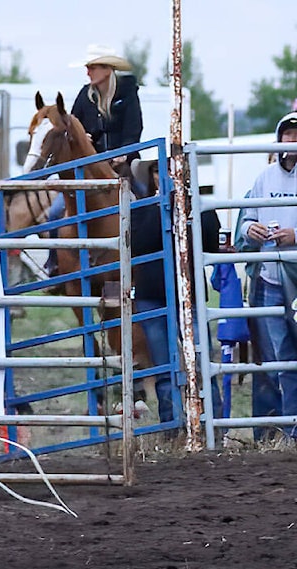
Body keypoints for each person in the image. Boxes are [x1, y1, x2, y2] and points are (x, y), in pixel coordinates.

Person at [130, 159, 222, 431]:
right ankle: (172, 428)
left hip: (189, 294)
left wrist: (186, 207)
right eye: (159, 170)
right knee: (165, 366)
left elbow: (211, 241)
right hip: (153, 294)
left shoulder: (199, 204)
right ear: (152, 176)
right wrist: (165, 207)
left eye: (172, 169)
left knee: (203, 362)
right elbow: (140, 243)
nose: (165, 175)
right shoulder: (142, 207)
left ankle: (213, 426)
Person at [43, 45, 145, 276]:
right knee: (55, 211)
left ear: (107, 69)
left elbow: (134, 128)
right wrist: (85, 137)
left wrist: (125, 153)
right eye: (88, 67)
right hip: (91, 166)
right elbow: (74, 127)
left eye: (93, 67)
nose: (88, 72)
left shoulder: (127, 93)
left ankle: (144, 257)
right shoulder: (84, 95)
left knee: (143, 201)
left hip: (123, 164)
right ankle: (54, 263)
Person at [239, 111, 297, 439]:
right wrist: (253, 230)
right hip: (271, 278)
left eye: (296, 135)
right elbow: (245, 218)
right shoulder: (264, 178)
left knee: (289, 354)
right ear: (279, 140)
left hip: (295, 277)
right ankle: (291, 431)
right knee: (280, 356)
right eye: (288, 135)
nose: (293, 140)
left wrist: (295, 235)